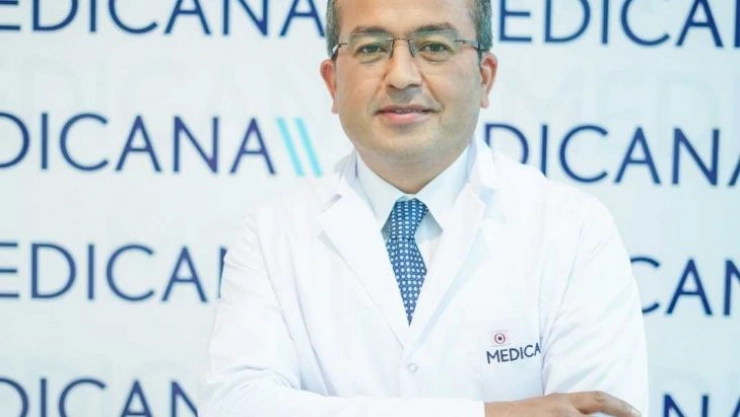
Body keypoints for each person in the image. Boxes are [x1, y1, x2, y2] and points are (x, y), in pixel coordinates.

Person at [200, 0, 649, 415]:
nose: (401, 77)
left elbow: (596, 411)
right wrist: (490, 414)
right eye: (371, 48)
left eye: (434, 46)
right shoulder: (272, 233)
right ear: (333, 83)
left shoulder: (572, 229)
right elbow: (236, 406)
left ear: (485, 77)